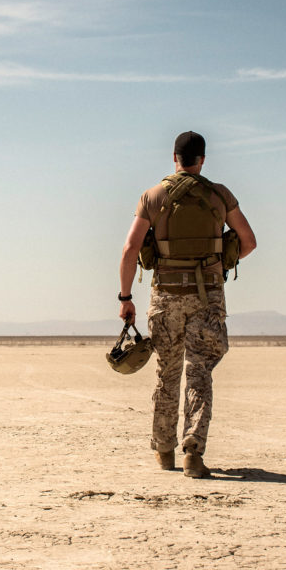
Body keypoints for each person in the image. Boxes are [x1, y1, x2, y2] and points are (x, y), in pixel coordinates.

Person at [117, 131, 256, 478]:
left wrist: (125, 298)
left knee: (167, 373)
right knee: (200, 374)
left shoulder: (153, 196)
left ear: (174, 157)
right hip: (207, 298)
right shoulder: (219, 195)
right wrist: (217, 265)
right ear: (203, 160)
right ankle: (193, 452)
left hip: (165, 297)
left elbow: (130, 250)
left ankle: (164, 451)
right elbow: (249, 242)